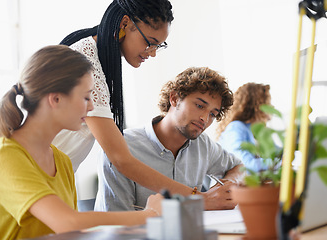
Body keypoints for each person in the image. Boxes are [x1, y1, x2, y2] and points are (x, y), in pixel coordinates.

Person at [0, 45, 162, 240]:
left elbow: (71, 233)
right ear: (55, 99)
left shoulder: (61, 161)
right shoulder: (5, 156)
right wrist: (149, 215)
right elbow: (67, 222)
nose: (91, 106)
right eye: (86, 97)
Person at [52, 0, 196, 196]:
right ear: (125, 23)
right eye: (150, 42)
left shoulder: (96, 56)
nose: (152, 53)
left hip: (52, 180)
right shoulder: (84, 63)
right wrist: (197, 196)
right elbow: (120, 159)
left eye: (158, 46)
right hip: (31, 177)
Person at [94, 67, 244, 212]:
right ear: (174, 98)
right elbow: (117, 222)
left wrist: (224, 188)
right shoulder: (122, 147)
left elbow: (238, 167)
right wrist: (202, 201)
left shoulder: (203, 145)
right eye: (199, 105)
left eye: (212, 114)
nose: (204, 118)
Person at [216, 82, 271, 172]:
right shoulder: (236, 128)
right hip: (231, 185)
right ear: (257, 106)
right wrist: (277, 163)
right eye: (268, 103)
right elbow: (244, 164)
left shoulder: (253, 130)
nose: (271, 107)